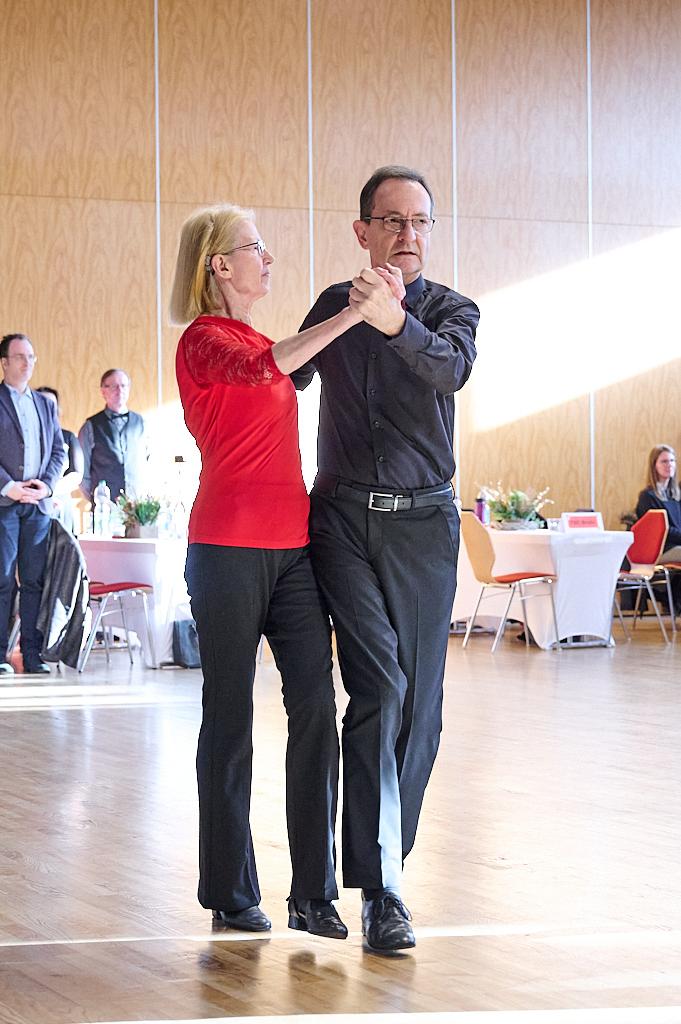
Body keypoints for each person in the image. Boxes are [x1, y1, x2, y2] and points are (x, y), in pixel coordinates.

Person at [169, 204, 396, 937]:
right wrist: (350, 315)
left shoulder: (264, 340)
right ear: (219, 265)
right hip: (226, 551)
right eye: (254, 248)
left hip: (292, 549)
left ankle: (312, 893)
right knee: (231, 718)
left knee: (316, 710)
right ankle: (230, 893)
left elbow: (281, 361)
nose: (267, 258)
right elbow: (263, 367)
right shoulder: (205, 341)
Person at [293, 165, 480, 952]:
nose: (408, 234)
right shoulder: (331, 303)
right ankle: (380, 890)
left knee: (419, 708)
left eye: (420, 222)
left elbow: (449, 370)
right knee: (379, 685)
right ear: (362, 230)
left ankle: (382, 880)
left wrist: (393, 322)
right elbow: (282, 375)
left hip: (423, 528)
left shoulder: (452, 311)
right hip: (339, 520)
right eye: (393, 220)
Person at [0, 334, 65, 676]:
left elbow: (58, 450)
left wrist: (47, 485)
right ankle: (0, 655)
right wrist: (9, 487)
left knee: (34, 582)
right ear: (4, 363)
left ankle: (32, 654)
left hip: (37, 505)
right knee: (3, 580)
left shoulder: (45, 403)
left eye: (31, 357)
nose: (27, 363)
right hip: (5, 503)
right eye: (20, 357)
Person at [78, 369, 147, 503]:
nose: (120, 390)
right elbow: (82, 473)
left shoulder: (141, 423)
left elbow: (149, 462)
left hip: (137, 505)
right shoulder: (90, 426)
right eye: (114, 386)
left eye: (123, 386)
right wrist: (97, 500)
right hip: (105, 505)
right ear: (103, 391)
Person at [36, 387, 84, 533]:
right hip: (32, 503)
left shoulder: (68, 437)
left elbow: (76, 475)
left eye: (51, 404)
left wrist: (49, 491)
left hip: (61, 504)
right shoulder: (24, 438)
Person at [636, 445, 681, 564]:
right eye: (664, 461)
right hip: (661, 549)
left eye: (672, 460)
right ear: (654, 466)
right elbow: (662, 530)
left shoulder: (676, 495)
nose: (669, 465)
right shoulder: (647, 497)